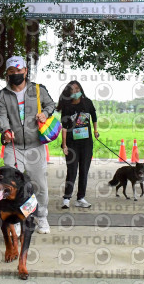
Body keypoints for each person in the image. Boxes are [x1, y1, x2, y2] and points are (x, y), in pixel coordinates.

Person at [0, 55, 56, 234]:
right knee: (12, 185)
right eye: (11, 71)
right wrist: (5, 130)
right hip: (13, 147)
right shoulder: (2, 95)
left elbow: (51, 104)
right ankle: (17, 218)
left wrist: (44, 113)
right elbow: (0, 116)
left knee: (39, 185)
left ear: (25, 71)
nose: (16, 74)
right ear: (7, 74)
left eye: (19, 70)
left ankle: (41, 217)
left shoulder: (38, 90)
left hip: (35, 145)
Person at [57, 81, 98, 209]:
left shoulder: (87, 102)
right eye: (72, 90)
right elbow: (64, 127)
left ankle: (80, 198)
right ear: (68, 92)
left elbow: (94, 117)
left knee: (84, 171)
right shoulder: (67, 106)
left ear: (81, 89)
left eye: (77, 88)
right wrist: (64, 145)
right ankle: (66, 198)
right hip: (71, 144)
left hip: (86, 143)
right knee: (72, 171)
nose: (75, 91)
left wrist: (96, 131)